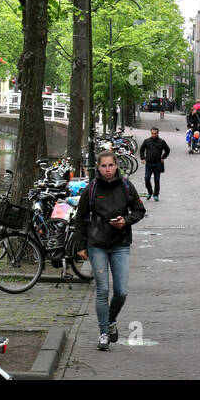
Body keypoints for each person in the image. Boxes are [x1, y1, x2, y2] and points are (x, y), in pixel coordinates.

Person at [75, 149, 146, 351]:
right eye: (103, 166)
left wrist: (126, 220)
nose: (107, 169)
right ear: (98, 167)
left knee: (121, 291)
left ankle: (111, 319)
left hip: (120, 244)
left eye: (111, 165)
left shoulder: (125, 186)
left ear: (116, 166)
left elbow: (140, 210)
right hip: (97, 244)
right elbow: (80, 218)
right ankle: (103, 333)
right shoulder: (92, 188)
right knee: (103, 290)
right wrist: (80, 245)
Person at [139, 126, 170, 201]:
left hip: (157, 163)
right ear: (151, 133)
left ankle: (156, 194)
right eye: (152, 133)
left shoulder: (161, 141)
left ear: (158, 133)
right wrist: (142, 158)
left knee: (157, 180)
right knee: (147, 178)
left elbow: (167, 150)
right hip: (149, 163)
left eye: (155, 133)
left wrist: (163, 157)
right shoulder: (147, 141)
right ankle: (150, 192)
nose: (153, 135)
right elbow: (141, 150)